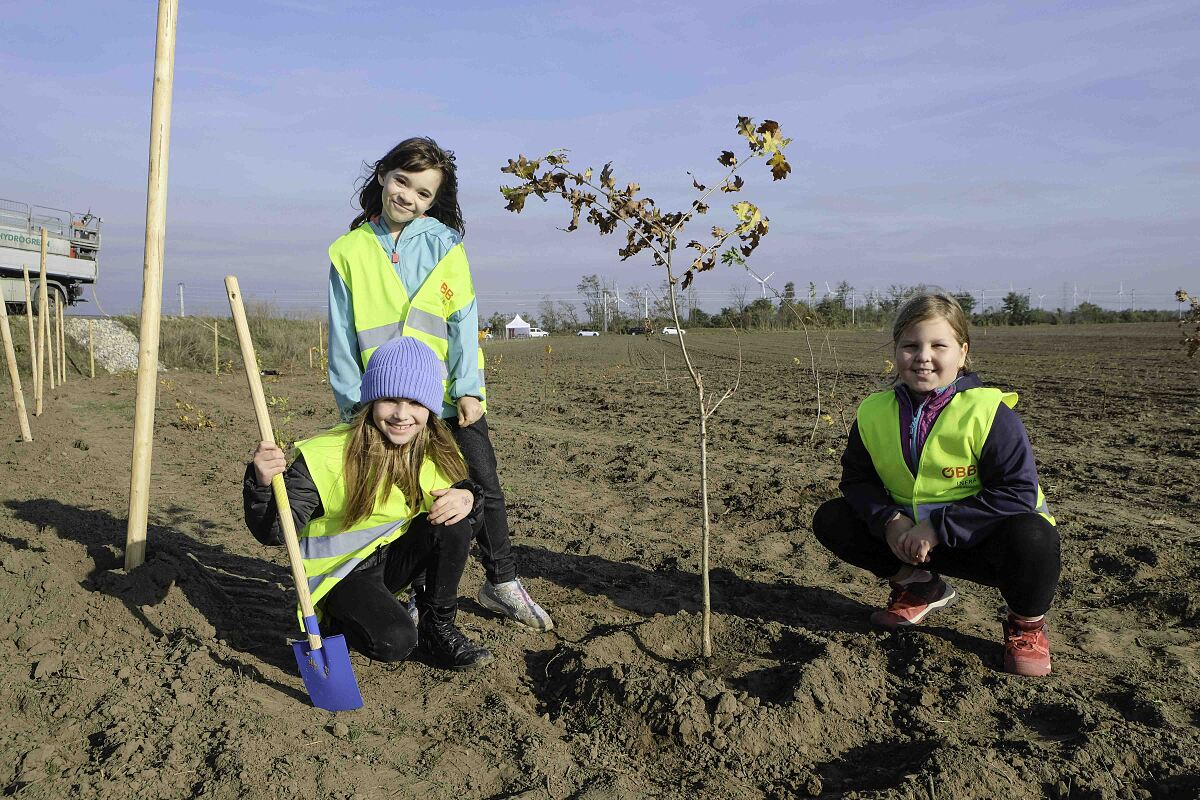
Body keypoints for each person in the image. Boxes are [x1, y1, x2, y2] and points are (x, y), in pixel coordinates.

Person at [325, 136, 553, 632]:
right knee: (402, 494)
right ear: (383, 176)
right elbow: (341, 337)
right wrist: (352, 406)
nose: (408, 197)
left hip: (449, 398)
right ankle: (408, 590)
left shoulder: (446, 245)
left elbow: (463, 320)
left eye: (423, 193)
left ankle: (502, 582)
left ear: (434, 201)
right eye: (402, 182)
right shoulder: (348, 252)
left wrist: (470, 386)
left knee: (483, 485)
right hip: (389, 404)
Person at [811, 292, 1059, 677]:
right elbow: (857, 481)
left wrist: (939, 527)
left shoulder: (989, 413)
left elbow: (1017, 492)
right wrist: (891, 522)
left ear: (962, 353)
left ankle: (1025, 627)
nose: (923, 356)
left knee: (1035, 536)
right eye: (910, 345)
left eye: (938, 345)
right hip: (912, 543)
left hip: (987, 545)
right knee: (832, 518)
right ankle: (919, 588)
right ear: (895, 352)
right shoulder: (874, 411)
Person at [244, 337, 493, 670]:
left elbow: (464, 513)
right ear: (371, 400)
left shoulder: (432, 449)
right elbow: (275, 530)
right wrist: (262, 483)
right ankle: (340, 626)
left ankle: (437, 628)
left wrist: (468, 496)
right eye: (390, 399)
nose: (402, 415)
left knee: (454, 521)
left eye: (415, 403)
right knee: (396, 641)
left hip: (389, 564)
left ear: (430, 409)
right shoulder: (326, 456)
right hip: (340, 576)